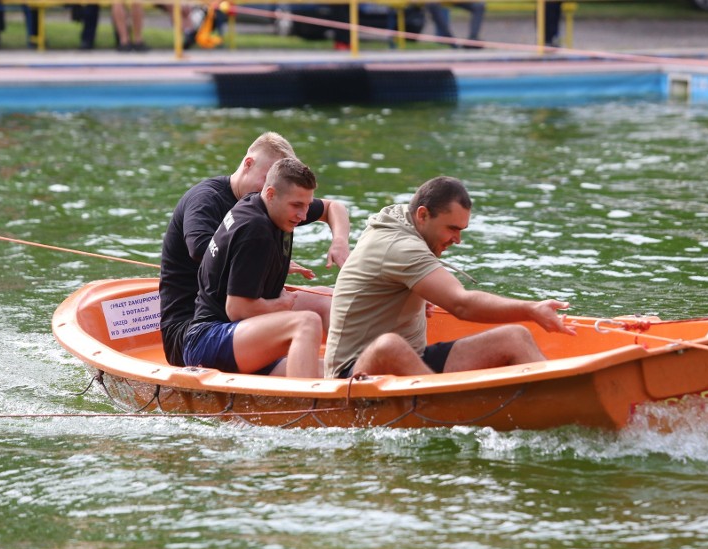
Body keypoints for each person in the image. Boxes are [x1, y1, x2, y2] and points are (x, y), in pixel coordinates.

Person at [324, 176, 575, 379]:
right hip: (352, 373)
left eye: (461, 229)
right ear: (422, 215)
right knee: (389, 345)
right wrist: (532, 309)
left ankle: (565, 403)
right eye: (452, 228)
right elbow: (461, 304)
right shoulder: (399, 246)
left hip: (414, 361)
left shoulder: (405, 218)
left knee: (515, 337)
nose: (458, 240)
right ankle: (446, 411)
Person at [159, 132, 350, 368]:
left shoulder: (275, 204)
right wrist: (269, 262)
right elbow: (202, 250)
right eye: (266, 178)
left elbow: (334, 207)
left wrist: (339, 241)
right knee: (305, 322)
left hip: (235, 309)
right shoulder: (211, 201)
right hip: (194, 327)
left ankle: (344, 370)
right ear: (248, 164)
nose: (269, 186)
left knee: (327, 298)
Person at [183, 157, 327, 378]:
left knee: (326, 305)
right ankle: (306, 404)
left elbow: (331, 207)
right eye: (296, 205)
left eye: (307, 205)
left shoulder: (262, 205)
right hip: (207, 340)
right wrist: (281, 304)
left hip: (241, 337)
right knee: (307, 323)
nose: (303, 215)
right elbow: (237, 309)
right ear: (270, 194)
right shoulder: (255, 230)